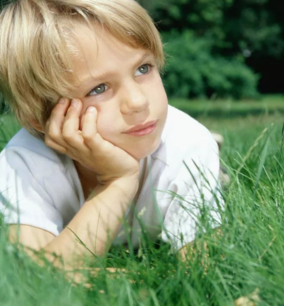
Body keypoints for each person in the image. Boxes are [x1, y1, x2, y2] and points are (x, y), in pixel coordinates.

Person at [0, 0, 223, 268]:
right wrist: (117, 181)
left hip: (181, 155)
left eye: (143, 68)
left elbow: (206, 272)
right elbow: (35, 282)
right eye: (99, 88)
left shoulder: (188, 145)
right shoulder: (22, 164)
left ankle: (219, 166)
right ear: (39, 119)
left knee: (206, 155)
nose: (138, 102)